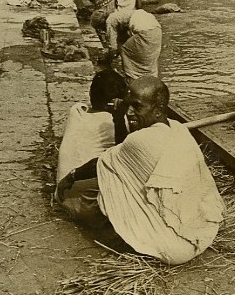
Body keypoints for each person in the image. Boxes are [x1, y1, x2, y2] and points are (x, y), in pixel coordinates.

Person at [56, 77, 225, 265]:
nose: (129, 112)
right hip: (204, 232)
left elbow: (105, 160)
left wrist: (70, 176)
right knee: (124, 176)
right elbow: (121, 154)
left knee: (103, 186)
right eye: (127, 106)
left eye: (137, 107)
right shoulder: (178, 129)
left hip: (173, 249)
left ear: (159, 110)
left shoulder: (139, 141)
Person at [55, 70, 127, 226]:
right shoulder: (112, 121)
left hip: (63, 196)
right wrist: (121, 117)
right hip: (86, 206)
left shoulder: (76, 111)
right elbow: (124, 156)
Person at [90, 7, 163, 79]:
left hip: (145, 31)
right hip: (155, 29)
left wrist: (108, 58)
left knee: (125, 50)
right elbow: (122, 40)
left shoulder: (109, 21)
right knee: (147, 57)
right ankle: (149, 77)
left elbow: (114, 47)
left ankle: (132, 76)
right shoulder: (117, 15)